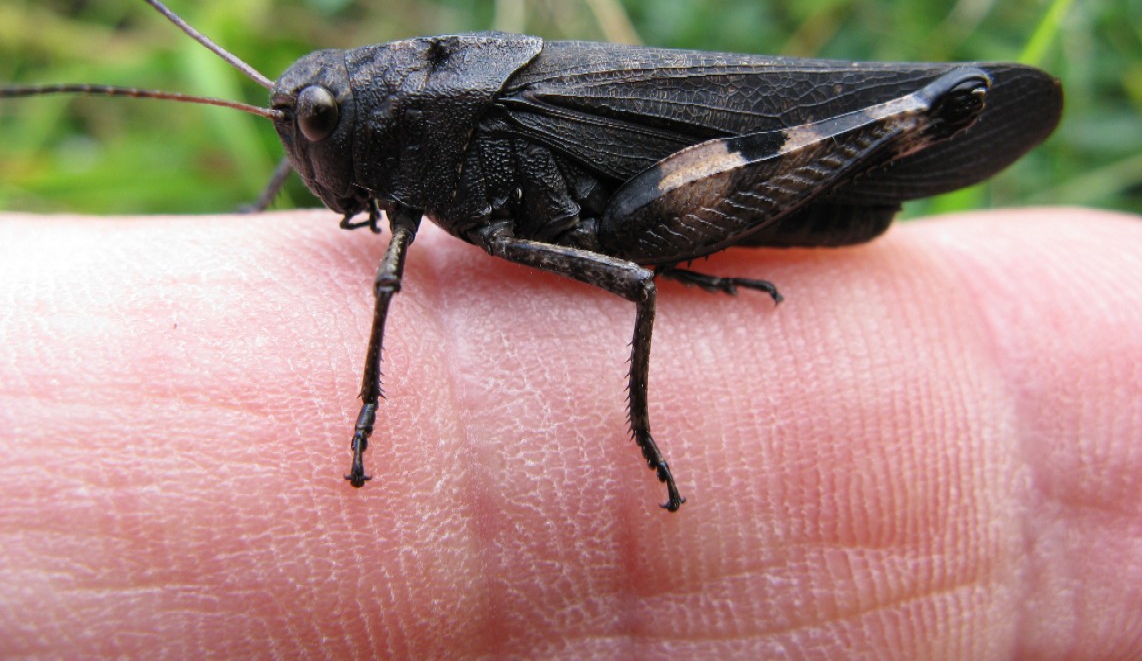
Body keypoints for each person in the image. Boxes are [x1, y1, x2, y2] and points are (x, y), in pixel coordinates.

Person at [1, 207, 1139, 658]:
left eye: (320, 130)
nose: (310, 153)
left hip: (673, 186)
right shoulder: (399, 172)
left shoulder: (461, 152)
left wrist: (365, 423)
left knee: (634, 279)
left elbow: (615, 267)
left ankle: (637, 429)